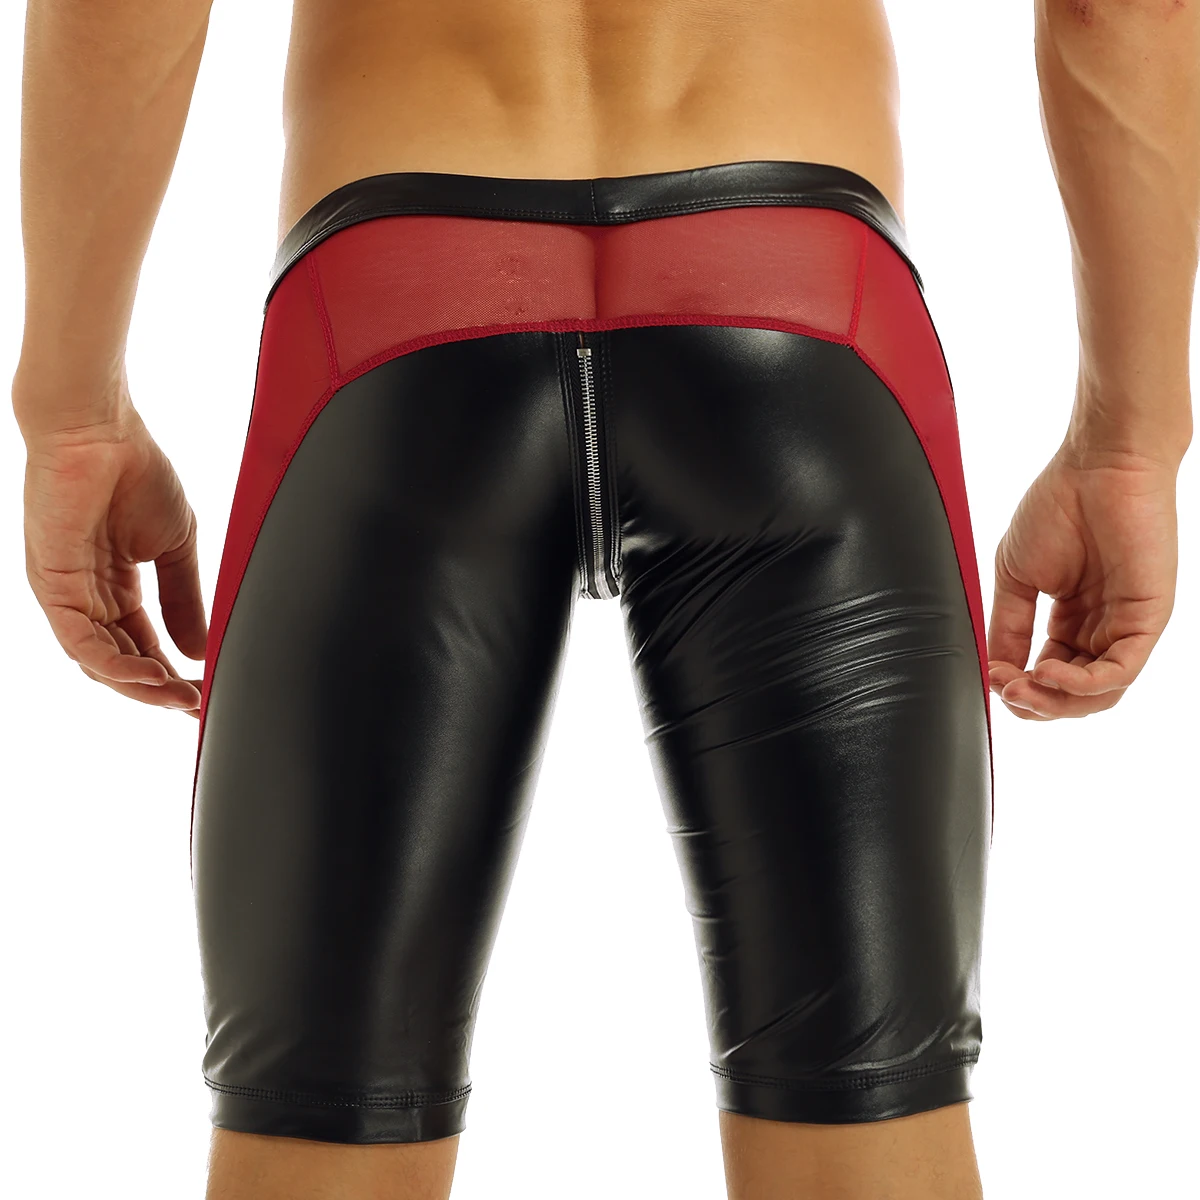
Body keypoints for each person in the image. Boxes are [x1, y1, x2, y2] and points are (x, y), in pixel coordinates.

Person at [10, 1, 1195, 1197]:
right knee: (874, 1134)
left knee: (315, 1134)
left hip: (396, 302)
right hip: (795, 297)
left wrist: (72, 413)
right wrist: (1129, 441)